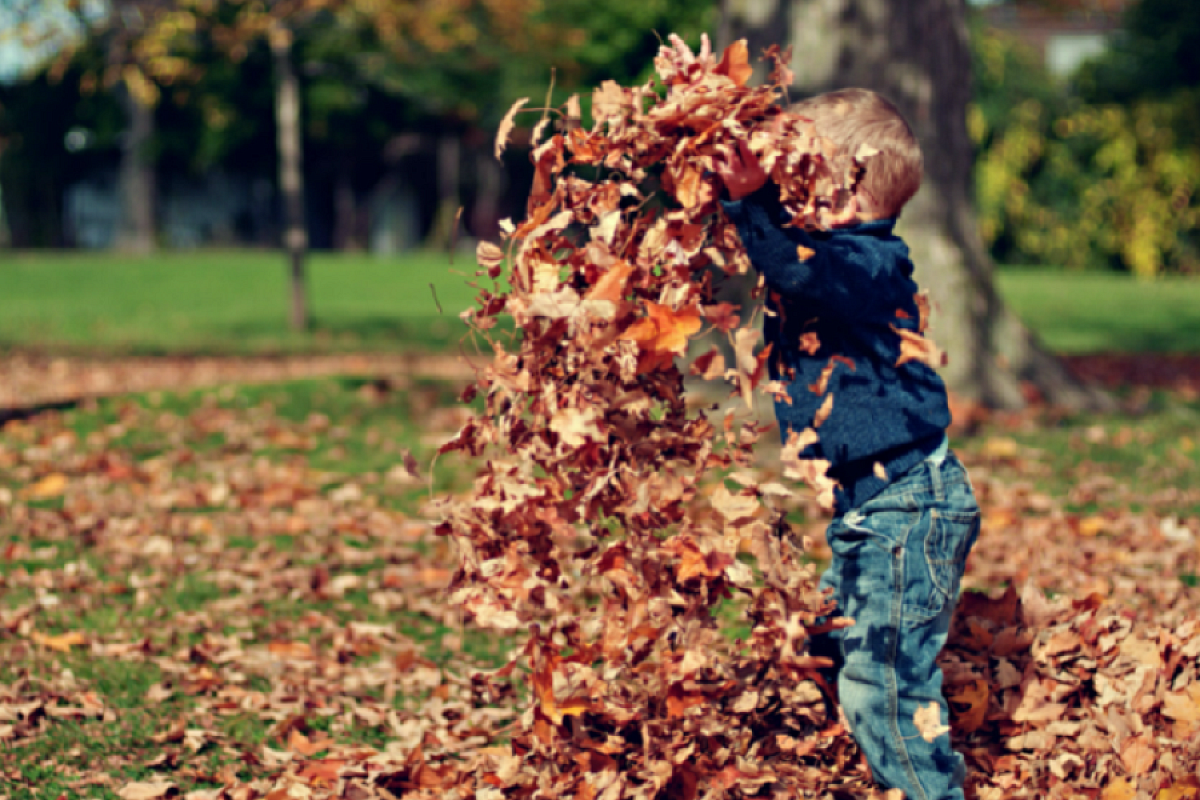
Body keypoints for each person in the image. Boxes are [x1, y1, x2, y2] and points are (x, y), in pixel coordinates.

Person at [714, 88, 982, 800]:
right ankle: (850, 768)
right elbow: (788, 263)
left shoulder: (866, 264)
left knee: (884, 687)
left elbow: (797, 267)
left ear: (845, 189)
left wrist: (751, 206)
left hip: (907, 509)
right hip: (874, 514)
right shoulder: (837, 260)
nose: (786, 192)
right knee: (827, 647)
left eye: (800, 177)